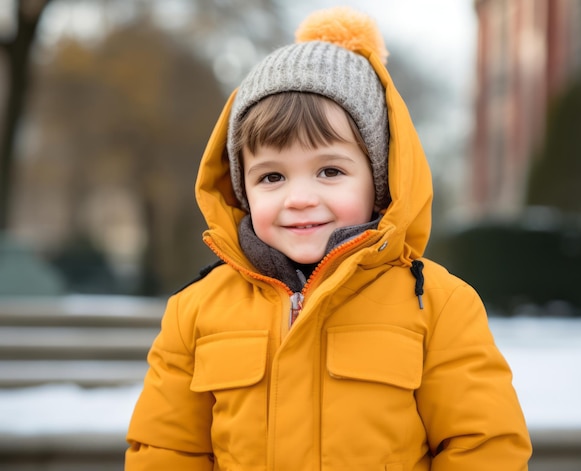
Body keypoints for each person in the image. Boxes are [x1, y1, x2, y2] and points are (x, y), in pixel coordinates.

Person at [125, 6, 532, 470]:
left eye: (330, 171)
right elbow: (167, 449)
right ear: (242, 189)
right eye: (272, 177)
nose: (299, 198)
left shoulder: (438, 307)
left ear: (378, 181)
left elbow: (484, 446)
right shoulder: (196, 311)